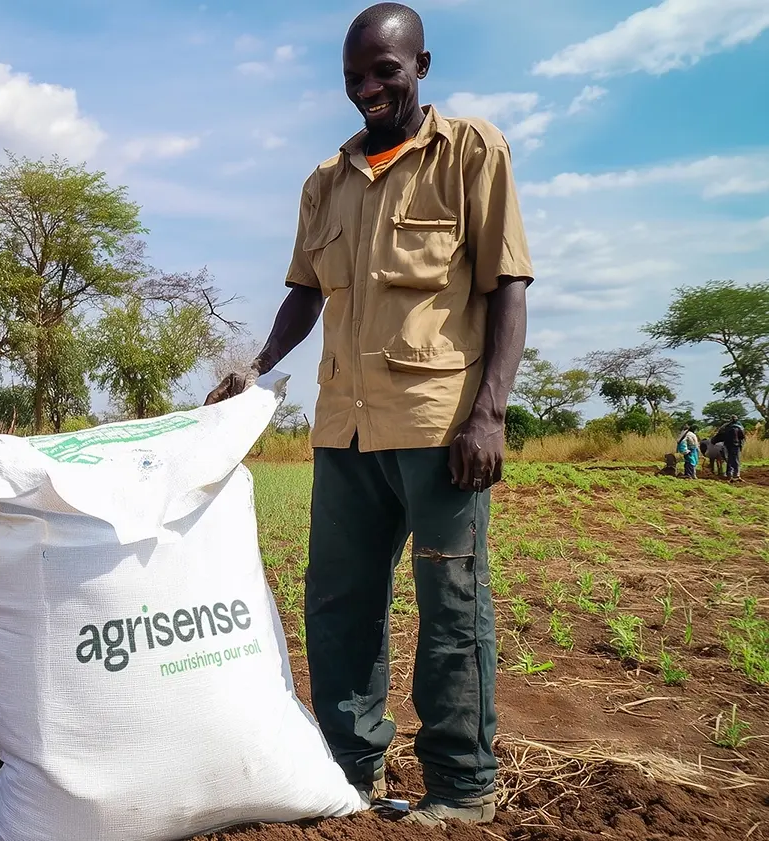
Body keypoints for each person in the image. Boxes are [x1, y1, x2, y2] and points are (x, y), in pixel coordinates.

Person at [206, 1, 530, 826]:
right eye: (353, 76)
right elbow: (304, 293)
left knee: (451, 605)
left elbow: (507, 287)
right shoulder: (325, 180)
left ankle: (461, 785)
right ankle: (347, 774)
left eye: (384, 70)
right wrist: (253, 368)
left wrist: (489, 412)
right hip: (342, 428)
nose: (367, 88)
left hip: (438, 430)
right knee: (339, 601)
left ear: (422, 65)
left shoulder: (471, 152)